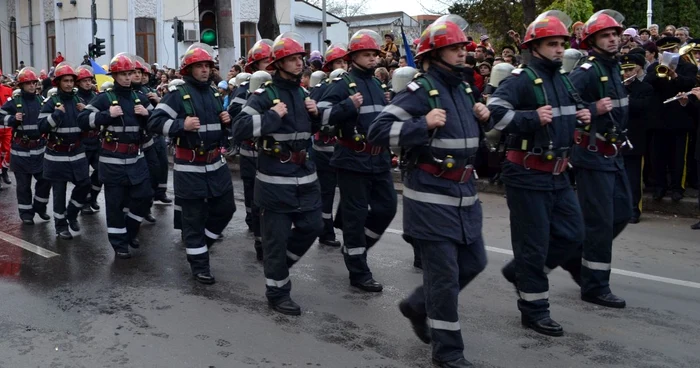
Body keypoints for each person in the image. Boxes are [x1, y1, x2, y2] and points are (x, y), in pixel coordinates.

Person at [369, 15, 490, 367]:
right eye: (453, 48)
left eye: (461, 47)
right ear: (433, 54)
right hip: (431, 196)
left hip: (465, 195)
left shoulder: (465, 88)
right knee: (444, 278)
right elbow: (379, 130)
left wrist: (487, 118)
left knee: (475, 262)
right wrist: (421, 124)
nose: (462, 53)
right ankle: (448, 352)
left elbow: (476, 139)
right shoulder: (420, 90)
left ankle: (418, 305)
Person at [488, 10, 591, 336]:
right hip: (527, 172)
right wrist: (531, 118)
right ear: (534, 47)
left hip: (558, 173)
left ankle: (521, 272)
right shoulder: (520, 79)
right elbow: (494, 115)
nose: (560, 50)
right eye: (552, 44)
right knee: (532, 245)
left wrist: (580, 116)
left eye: (562, 43)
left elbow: (562, 115)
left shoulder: (561, 79)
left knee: (574, 235)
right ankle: (534, 309)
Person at [232, 32, 323, 315]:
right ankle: (277, 292)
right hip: (274, 179)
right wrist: (273, 116)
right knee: (275, 239)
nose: (299, 64)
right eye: (292, 59)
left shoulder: (304, 93)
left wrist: (316, 115)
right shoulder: (264, 94)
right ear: (278, 64)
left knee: (313, 226)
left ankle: (278, 265)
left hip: (305, 176)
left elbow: (309, 132)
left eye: (300, 59)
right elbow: (239, 129)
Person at [148, 43, 235, 284]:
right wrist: (180, 126)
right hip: (190, 167)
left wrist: (227, 122)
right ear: (188, 69)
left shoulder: (215, 93)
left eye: (208, 66)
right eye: (199, 66)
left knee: (227, 208)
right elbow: (154, 122)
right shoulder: (177, 95)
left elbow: (217, 129)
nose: (205, 70)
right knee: (194, 218)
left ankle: (201, 247)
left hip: (216, 164)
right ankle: (199, 265)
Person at [319, 29, 397, 293]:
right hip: (352, 158)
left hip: (379, 158)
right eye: (367, 54)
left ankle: (356, 248)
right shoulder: (342, 83)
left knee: (387, 208)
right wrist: (347, 107)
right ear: (353, 57)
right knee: (356, 216)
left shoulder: (377, 84)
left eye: (375, 54)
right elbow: (320, 115)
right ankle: (358, 270)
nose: (373, 59)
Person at [568, 9, 633, 309]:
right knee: (600, 222)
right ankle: (594, 285)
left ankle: (577, 255)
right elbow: (563, 105)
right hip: (593, 155)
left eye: (615, 34)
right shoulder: (587, 70)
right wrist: (594, 110)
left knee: (622, 213)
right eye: (606, 35)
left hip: (614, 153)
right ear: (592, 40)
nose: (613, 39)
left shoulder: (614, 66)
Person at [228, 39, 274, 260]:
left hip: (275, 155)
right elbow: (236, 118)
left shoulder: (279, 88)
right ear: (255, 66)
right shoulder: (244, 90)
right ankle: (259, 237)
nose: (271, 65)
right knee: (255, 199)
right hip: (251, 152)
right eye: (266, 61)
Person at [38, 62, 90, 240]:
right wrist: (56, 115)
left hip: (77, 152)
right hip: (56, 154)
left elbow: (88, 127)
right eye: (65, 81)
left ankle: (72, 213)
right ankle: (61, 226)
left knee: (85, 185)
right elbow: (41, 127)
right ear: (58, 82)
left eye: (71, 81)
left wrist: (86, 113)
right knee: (59, 193)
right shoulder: (51, 102)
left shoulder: (80, 102)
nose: (69, 84)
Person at [0, 67, 51, 223]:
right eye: (28, 83)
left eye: (33, 83)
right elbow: (1, 116)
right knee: (23, 186)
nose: (31, 86)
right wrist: (13, 119)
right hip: (20, 150)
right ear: (21, 85)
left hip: (39, 148)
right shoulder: (14, 102)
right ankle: (26, 214)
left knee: (45, 181)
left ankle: (40, 207)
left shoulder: (42, 101)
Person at [312, 43, 348, 248]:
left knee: (349, 192)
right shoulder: (322, 88)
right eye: (338, 62)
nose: (342, 65)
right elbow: (315, 115)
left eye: (344, 61)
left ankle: (343, 225)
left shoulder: (353, 86)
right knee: (326, 192)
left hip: (347, 149)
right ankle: (325, 231)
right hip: (324, 149)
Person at [619, 53, 654, 224]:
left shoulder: (645, 87)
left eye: (630, 70)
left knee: (633, 177)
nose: (626, 73)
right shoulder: (618, 86)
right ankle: (619, 209)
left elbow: (643, 107)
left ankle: (635, 210)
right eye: (624, 70)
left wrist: (625, 100)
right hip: (618, 138)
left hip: (635, 138)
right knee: (617, 177)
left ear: (638, 68)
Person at [73, 65, 102, 215]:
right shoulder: (74, 97)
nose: (88, 83)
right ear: (78, 82)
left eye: (90, 80)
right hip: (82, 142)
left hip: (96, 141)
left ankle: (93, 197)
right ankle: (83, 203)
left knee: (101, 171)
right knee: (83, 177)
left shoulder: (96, 96)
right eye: (84, 80)